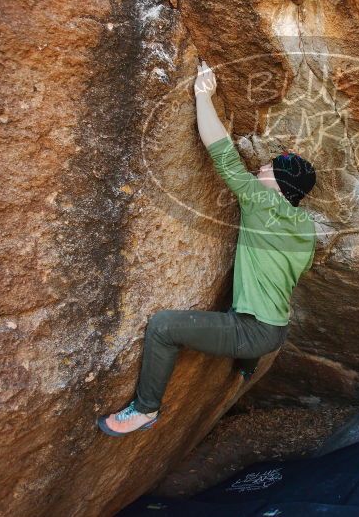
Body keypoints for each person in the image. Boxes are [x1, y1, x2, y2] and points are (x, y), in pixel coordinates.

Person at [97, 60, 317, 436]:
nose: (259, 169)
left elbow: (222, 153)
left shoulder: (261, 203)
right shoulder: (306, 227)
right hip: (275, 329)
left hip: (253, 331)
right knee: (249, 313)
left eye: (266, 169)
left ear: (279, 185)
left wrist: (203, 96)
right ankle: (246, 366)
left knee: (164, 327)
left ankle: (146, 409)